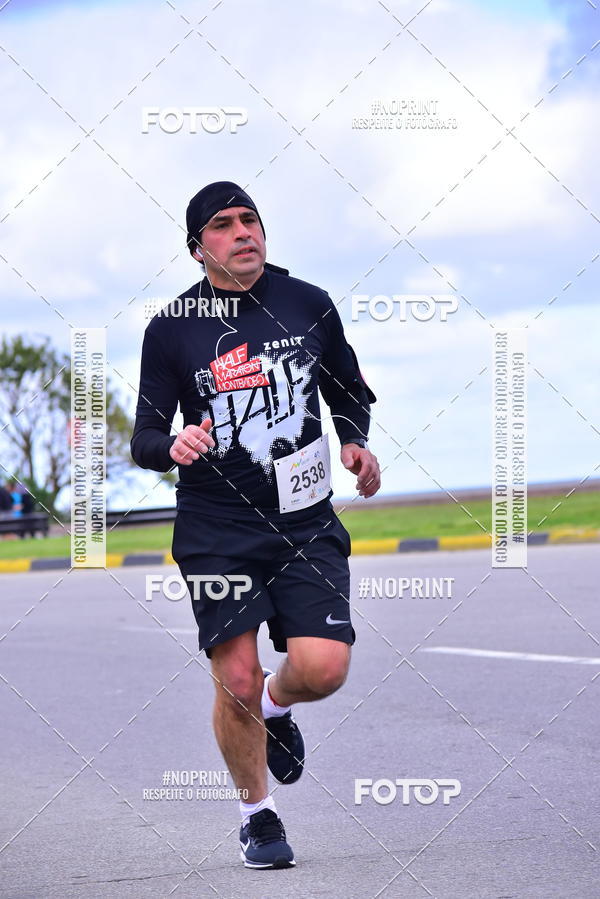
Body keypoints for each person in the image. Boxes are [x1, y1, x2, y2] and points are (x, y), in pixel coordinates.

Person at [130, 181, 381, 869]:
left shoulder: (308, 303)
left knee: (323, 668)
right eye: (223, 224)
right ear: (197, 248)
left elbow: (347, 388)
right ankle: (257, 816)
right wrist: (172, 444)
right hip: (217, 527)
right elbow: (144, 434)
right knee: (235, 677)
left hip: (305, 521)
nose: (243, 232)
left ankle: (275, 705)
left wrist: (354, 440)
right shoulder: (172, 329)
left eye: (250, 220)